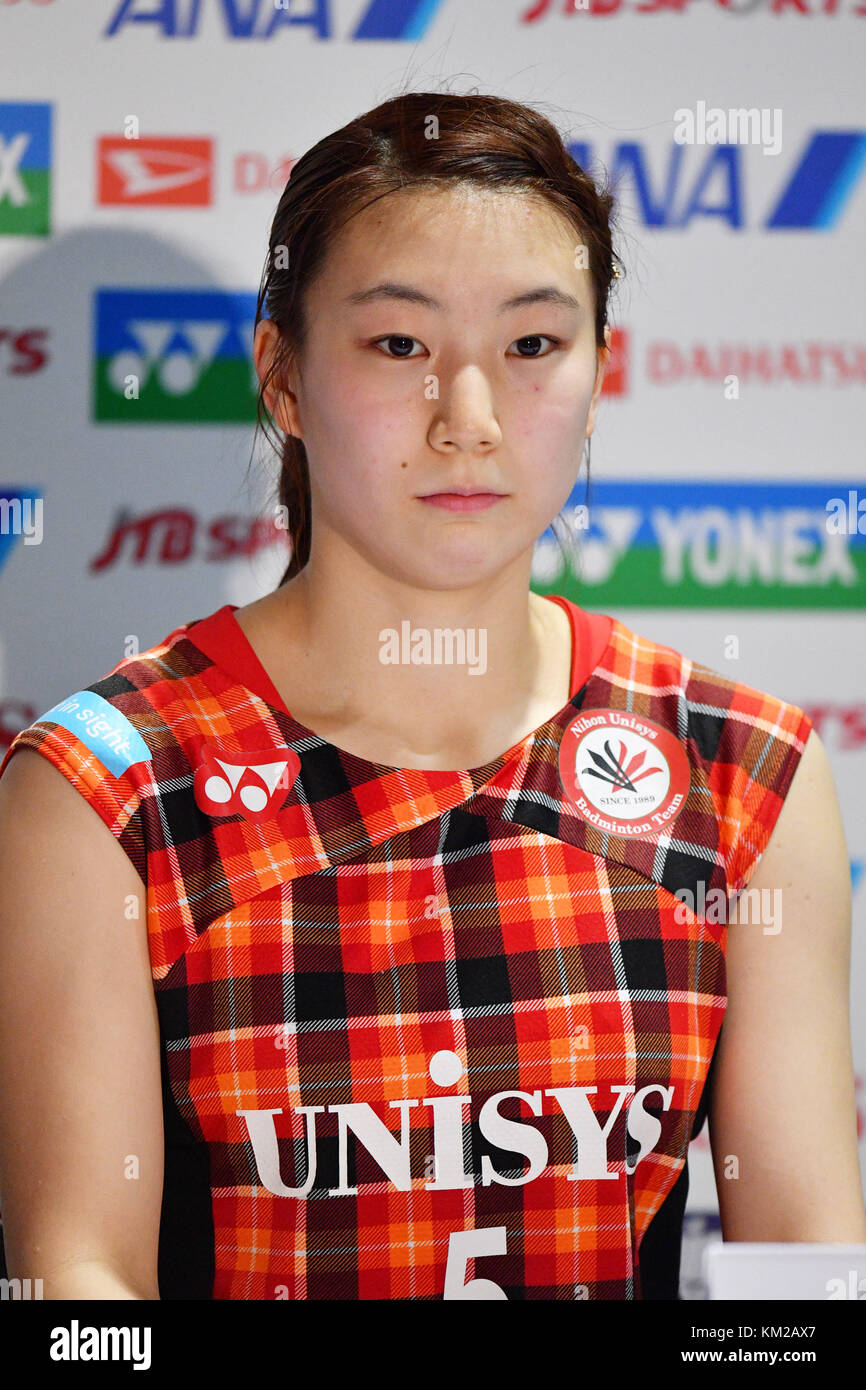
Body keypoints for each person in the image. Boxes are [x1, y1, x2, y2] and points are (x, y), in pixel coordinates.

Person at [0, 90, 863, 1303]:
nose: (467, 421)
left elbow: (799, 1285)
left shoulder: (738, 768)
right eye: (398, 345)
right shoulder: (104, 785)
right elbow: (78, 1292)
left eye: (529, 346)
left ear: (596, 374)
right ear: (283, 378)